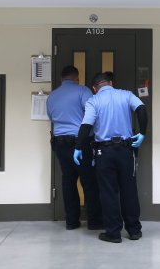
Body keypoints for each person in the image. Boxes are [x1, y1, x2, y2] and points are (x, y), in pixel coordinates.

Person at [74, 71, 148, 243]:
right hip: (126, 150)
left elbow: (86, 125)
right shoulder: (126, 95)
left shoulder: (94, 100)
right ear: (110, 83)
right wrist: (142, 133)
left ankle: (113, 233)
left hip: (104, 153)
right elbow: (142, 109)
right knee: (129, 190)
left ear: (94, 88)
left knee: (108, 192)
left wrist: (78, 147)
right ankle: (134, 230)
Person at [46, 65, 102, 231]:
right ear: (77, 78)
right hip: (81, 143)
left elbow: (51, 118)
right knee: (89, 181)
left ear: (62, 79)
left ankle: (71, 221)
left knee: (68, 181)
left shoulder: (52, 96)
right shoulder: (83, 91)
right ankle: (94, 221)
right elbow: (93, 112)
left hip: (60, 143)